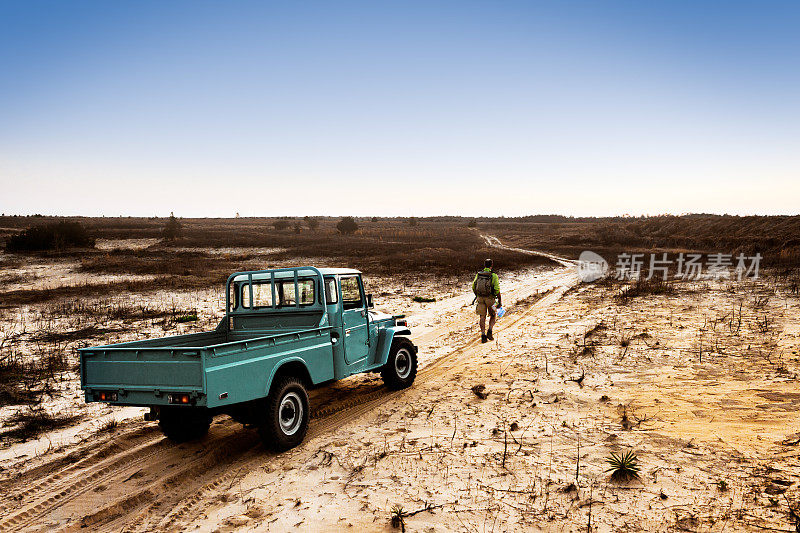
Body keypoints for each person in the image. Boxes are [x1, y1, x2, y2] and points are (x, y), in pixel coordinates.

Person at [472, 258, 501, 343]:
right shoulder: (493, 276)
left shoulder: (478, 274)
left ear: (484, 265)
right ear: (492, 265)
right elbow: (496, 289)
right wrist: (499, 300)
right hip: (490, 299)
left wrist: (477, 295)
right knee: (493, 315)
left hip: (480, 298)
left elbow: (474, 286)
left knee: (482, 316)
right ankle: (490, 331)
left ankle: (483, 335)